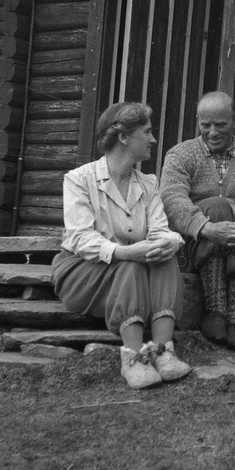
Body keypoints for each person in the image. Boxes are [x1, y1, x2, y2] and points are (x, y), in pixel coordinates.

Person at [52, 102, 191, 390]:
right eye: (147, 132)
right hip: (82, 274)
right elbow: (79, 238)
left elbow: (160, 230)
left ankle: (164, 352)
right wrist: (127, 252)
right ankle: (133, 359)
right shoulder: (80, 179)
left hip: (134, 272)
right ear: (124, 137)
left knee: (164, 257)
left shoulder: (148, 183)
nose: (153, 139)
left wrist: (169, 244)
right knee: (130, 263)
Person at [160, 91, 235, 351]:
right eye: (206, 125)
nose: (213, 132)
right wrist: (206, 227)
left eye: (221, 125)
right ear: (198, 122)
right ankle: (216, 313)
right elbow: (173, 201)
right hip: (193, 248)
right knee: (216, 206)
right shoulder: (180, 155)